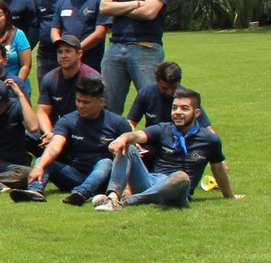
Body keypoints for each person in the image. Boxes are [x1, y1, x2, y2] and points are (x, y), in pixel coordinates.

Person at [98, 87, 243, 211]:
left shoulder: (210, 140)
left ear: (197, 113)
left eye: (184, 108)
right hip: (152, 182)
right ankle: (113, 198)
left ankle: (129, 201)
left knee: (181, 177)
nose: (178, 112)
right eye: (174, 108)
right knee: (127, 147)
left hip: (178, 190)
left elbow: (218, 170)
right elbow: (137, 135)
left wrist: (230, 196)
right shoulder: (164, 129)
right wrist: (122, 138)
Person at [20, 75, 132, 204]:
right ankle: (34, 191)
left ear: (101, 102)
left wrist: (127, 187)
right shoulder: (68, 121)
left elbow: (131, 156)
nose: (81, 105)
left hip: (104, 179)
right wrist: (39, 167)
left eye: (86, 102)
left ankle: (81, 193)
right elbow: (54, 146)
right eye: (78, 100)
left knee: (106, 162)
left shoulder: (118, 123)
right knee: (42, 160)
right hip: (74, 174)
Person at [98, 0, 172, 114]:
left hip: (145, 48)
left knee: (152, 102)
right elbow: (104, 8)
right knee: (108, 104)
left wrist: (118, 8)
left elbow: (149, 12)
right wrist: (137, 3)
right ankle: (112, 133)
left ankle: (154, 132)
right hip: (115, 48)